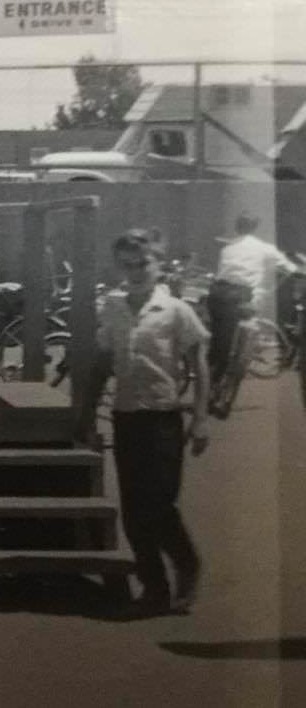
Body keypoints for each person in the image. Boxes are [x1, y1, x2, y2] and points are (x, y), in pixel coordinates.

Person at [92, 229, 211, 619]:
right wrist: (86, 412)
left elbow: (198, 364)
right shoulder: (112, 307)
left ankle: (187, 562)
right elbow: (102, 361)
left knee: (159, 503)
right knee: (133, 509)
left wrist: (201, 418)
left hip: (163, 417)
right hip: (126, 417)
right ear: (118, 267)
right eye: (127, 265)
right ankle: (154, 587)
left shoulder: (176, 310)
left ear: (159, 263)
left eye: (143, 262)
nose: (136, 271)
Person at [207, 211, 296, 386]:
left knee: (219, 336)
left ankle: (212, 370)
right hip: (240, 295)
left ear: (237, 227)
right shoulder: (264, 248)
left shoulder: (227, 248)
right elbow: (289, 267)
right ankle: (219, 377)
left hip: (217, 292)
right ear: (254, 228)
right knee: (231, 338)